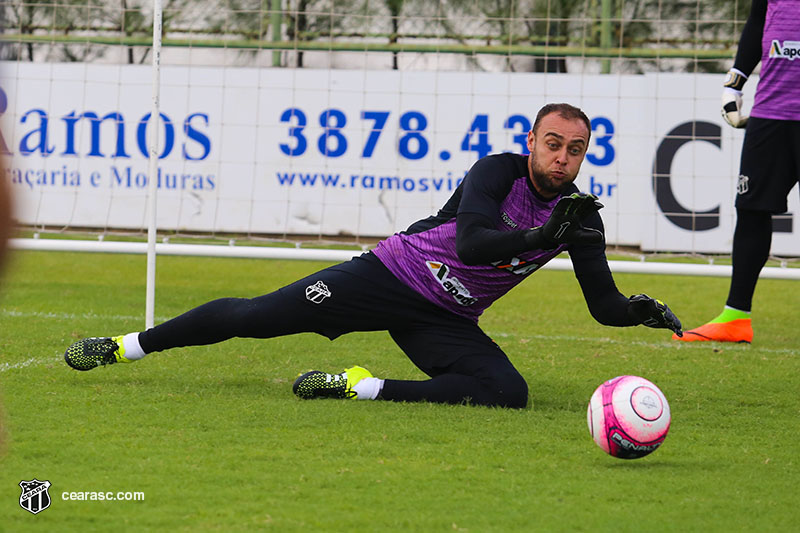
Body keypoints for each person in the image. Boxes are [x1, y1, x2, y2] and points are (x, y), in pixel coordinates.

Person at [64, 103, 682, 409]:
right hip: (390, 275)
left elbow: (601, 305)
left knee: (507, 393)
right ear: (531, 143)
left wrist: (638, 310)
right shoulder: (496, 171)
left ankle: (364, 386)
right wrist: (537, 238)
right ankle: (126, 346)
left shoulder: (581, 216)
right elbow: (472, 243)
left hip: (447, 318)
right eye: (553, 144)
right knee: (254, 317)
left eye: (576, 150)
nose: (563, 159)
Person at [676, 0, 800, 343]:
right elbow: (760, 17)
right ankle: (735, 317)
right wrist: (734, 82)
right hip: (771, 109)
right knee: (750, 209)